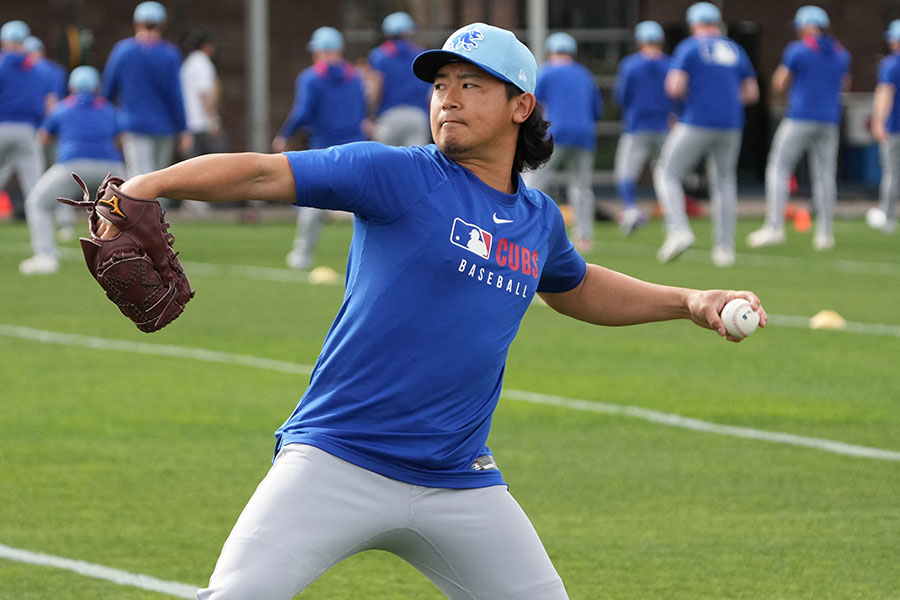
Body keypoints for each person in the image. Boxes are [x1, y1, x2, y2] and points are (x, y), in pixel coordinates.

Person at [94, 23, 766, 599]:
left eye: (472, 84)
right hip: (336, 460)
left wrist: (689, 301)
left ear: (520, 105)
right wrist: (146, 186)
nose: (448, 97)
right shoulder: (400, 175)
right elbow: (264, 173)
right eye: (441, 83)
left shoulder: (537, 220)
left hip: (460, 482)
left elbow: (578, 286)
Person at [652, 2, 759, 267]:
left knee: (667, 171)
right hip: (731, 124)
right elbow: (751, 93)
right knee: (724, 181)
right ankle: (725, 248)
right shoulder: (735, 49)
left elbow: (674, 87)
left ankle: (678, 230)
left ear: (693, 24)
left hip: (696, 121)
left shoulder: (689, 47)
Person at [747, 6, 851, 251]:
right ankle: (825, 233)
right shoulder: (841, 53)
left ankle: (774, 227)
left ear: (808, 26)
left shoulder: (798, 50)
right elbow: (844, 84)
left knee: (778, 167)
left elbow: (780, 82)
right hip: (829, 119)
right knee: (825, 175)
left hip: (800, 117)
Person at [272, 26, 367, 270]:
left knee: (312, 202)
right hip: (356, 145)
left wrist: (285, 134)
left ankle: (302, 256)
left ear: (321, 51)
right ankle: (366, 260)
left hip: (324, 146)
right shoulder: (355, 76)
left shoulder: (311, 77)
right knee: (363, 205)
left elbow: (303, 111)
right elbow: (362, 110)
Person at [20, 66, 125, 275]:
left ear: (72, 86)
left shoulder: (62, 108)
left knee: (38, 203)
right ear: (97, 86)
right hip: (110, 168)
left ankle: (46, 256)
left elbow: (43, 136)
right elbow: (120, 138)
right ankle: (131, 256)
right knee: (124, 211)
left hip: (72, 166)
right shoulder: (108, 109)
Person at [102, 1, 190, 204]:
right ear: (161, 24)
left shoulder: (123, 51)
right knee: (160, 181)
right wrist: (183, 128)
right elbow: (175, 95)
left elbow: (108, 92)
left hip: (133, 125)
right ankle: (158, 225)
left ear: (137, 23)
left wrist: (112, 124)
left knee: (139, 178)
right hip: (164, 126)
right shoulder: (170, 53)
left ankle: (140, 226)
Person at [524, 32, 603, 253]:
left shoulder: (546, 72)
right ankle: (585, 237)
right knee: (582, 187)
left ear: (551, 52)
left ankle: (526, 230)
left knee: (535, 181)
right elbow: (597, 109)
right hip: (584, 136)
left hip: (554, 134)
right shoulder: (585, 74)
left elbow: (531, 106)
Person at [613, 20, 672, 235]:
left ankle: (630, 210)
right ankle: (672, 216)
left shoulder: (630, 64)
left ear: (640, 40)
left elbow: (621, 96)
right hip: (665, 126)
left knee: (626, 172)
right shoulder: (670, 63)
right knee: (667, 173)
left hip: (636, 126)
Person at [0, 20, 55, 222]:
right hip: (28, 131)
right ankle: (45, 250)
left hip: (2, 127)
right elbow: (47, 103)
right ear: (24, 42)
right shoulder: (38, 69)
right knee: (36, 190)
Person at [367, 11, 432, 147]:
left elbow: (375, 91)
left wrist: (369, 116)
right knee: (415, 163)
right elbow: (430, 93)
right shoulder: (420, 54)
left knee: (387, 165)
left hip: (388, 116)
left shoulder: (379, 56)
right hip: (417, 116)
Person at [180, 26, 225, 217]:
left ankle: (192, 202)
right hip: (201, 123)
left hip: (189, 122)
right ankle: (201, 202)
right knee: (213, 164)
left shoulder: (188, 63)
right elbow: (204, 93)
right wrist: (213, 118)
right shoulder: (202, 63)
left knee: (191, 164)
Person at [868, 19, 900, 234]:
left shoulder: (891, 64)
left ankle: (888, 216)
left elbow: (885, 94)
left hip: (895, 127)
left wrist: (878, 121)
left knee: (892, 173)